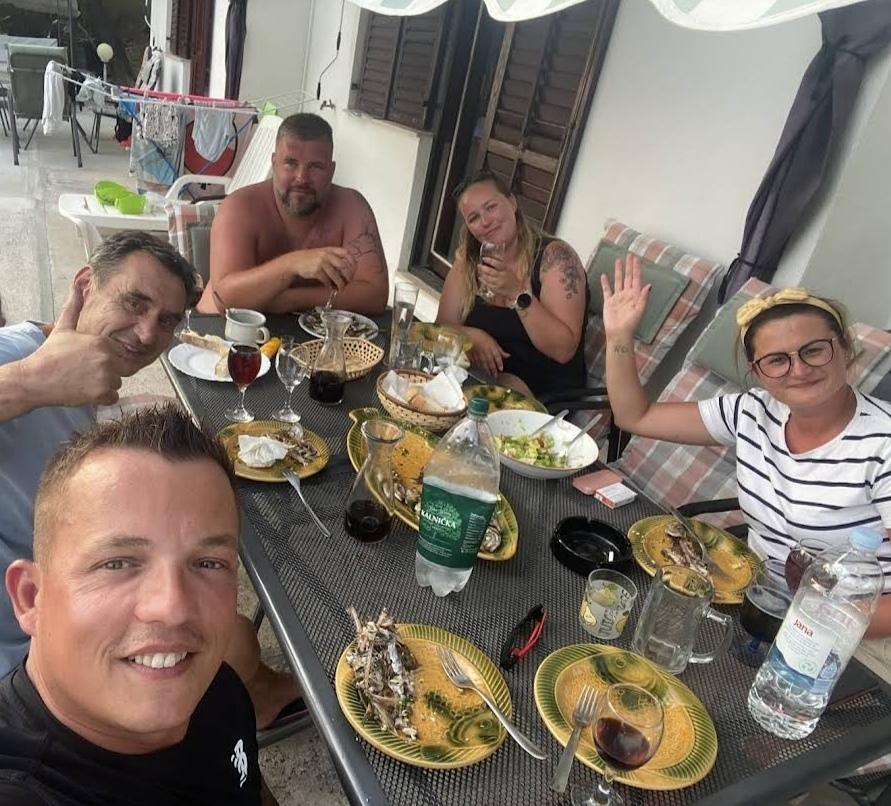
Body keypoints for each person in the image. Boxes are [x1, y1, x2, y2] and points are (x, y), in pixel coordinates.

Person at [0, 232, 297, 729]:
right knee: (229, 645)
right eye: (134, 303)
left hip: (67, 585)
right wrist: (31, 382)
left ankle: (256, 697)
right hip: (23, 646)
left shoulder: (89, 389)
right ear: (85, 285)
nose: (144, 333)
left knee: (235, 633)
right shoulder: (18, 356)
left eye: (165, 321)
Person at [601, 256, 891, 636]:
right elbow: (635, 416)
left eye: (814, 350)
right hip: (756, 603)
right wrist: (619, 338)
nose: (799, 369)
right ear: (757, 372)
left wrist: (806, 625)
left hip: (853, 631)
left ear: (845, 348)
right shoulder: (752, 411)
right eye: (777, 360)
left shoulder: (883, 444)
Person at [0, 406, 263, 804]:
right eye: (118, 563)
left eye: (208, 563)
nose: (173, 608)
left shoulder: (217, 691)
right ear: (30, 598)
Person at [197, 113, 388, 315]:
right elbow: (225, 298)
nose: (302, 178)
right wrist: (293, 264)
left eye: (315, 167)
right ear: (274, 163)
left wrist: (289, 300)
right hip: (217, 327)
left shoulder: (351, 207)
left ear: (331, 171)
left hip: (304, 331)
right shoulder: (240, 206)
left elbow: (375, 294)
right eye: (290, 163)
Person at [435, 171, 588, 398]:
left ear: (513, 203)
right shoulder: (469, 259)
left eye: (491, 207)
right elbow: (441, 327)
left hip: (543, 394)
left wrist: (517, 294)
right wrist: (471, 337)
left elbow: (563, 350)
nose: (485, 221)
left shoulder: (555, 258)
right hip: (480, 383)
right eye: (474, 218)